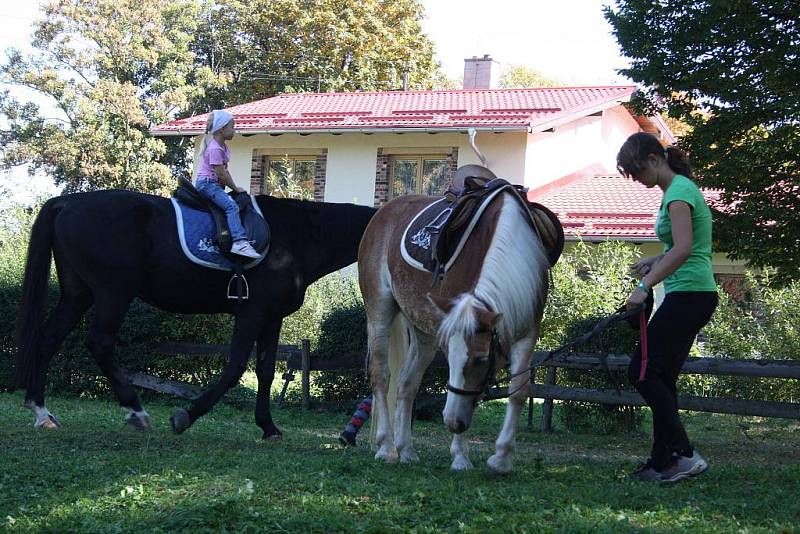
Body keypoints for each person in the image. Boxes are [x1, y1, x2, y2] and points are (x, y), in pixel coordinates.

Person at [617, 132, 718, 484]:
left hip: (689, 295)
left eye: (636, 171)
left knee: (641, 372)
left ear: (653, 159)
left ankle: (684, 454)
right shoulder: (678, 191)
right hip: (691, 293)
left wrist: (644, 287)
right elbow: (684, 247)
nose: (638, 181)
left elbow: (685, 249)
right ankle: (663, 462)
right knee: (661, 377)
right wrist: (656, 259)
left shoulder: (678, 192)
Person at [196, 109, 260, 259]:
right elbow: (221, 174)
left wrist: (235, 187)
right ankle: (239, 242)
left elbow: (224, 172)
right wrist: (235, 188)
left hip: (214, 184)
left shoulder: (222, 147)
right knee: (231, 206)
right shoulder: (214, 149)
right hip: (207, 184)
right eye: (232, 126)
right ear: (223, 128)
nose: (234, 130)